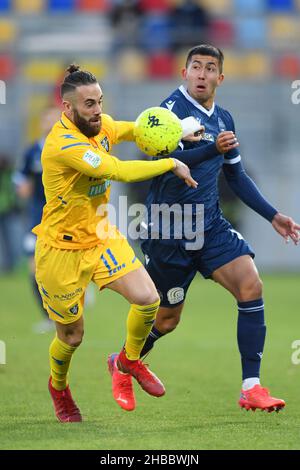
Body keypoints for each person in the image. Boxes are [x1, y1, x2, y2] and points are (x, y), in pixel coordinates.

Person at [116, 44, 300, 413]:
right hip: (167, 230)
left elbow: (236, 175)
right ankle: (123, 363)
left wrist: (273, 215)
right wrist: (210, 149)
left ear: (221, 77)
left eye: (210, 68)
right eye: (196, 67)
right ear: (184, 73)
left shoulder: (224, 119)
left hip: (211, 225)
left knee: (251, 285)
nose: (202, 74)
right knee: (166, 320)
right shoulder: (165, 113)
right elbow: (163, 160)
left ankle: (252, 387)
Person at [33, 64, 198, 422]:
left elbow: (135, 130)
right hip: (61, 250)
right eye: (89, 104)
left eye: (100, 102)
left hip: (101, 236)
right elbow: (117, 170)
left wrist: (180, 129)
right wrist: (171, 161)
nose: (97, 111)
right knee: (72, 337)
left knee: (148, 299)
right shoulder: (64, 144)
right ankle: (59, 387)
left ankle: (127, 363)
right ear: (67, 108)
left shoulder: (100, 123)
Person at [14, 106, 60, 333]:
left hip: (62, 218)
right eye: (47, 119)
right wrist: (21, 186)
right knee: (34, 268)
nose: (50, 123)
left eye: (55, 119)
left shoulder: (67, 148)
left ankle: (77, 295)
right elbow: (20, 177)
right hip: (37, 218)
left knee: (62, 268)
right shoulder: (33, 151)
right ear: (41, 122)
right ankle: (48, 317)